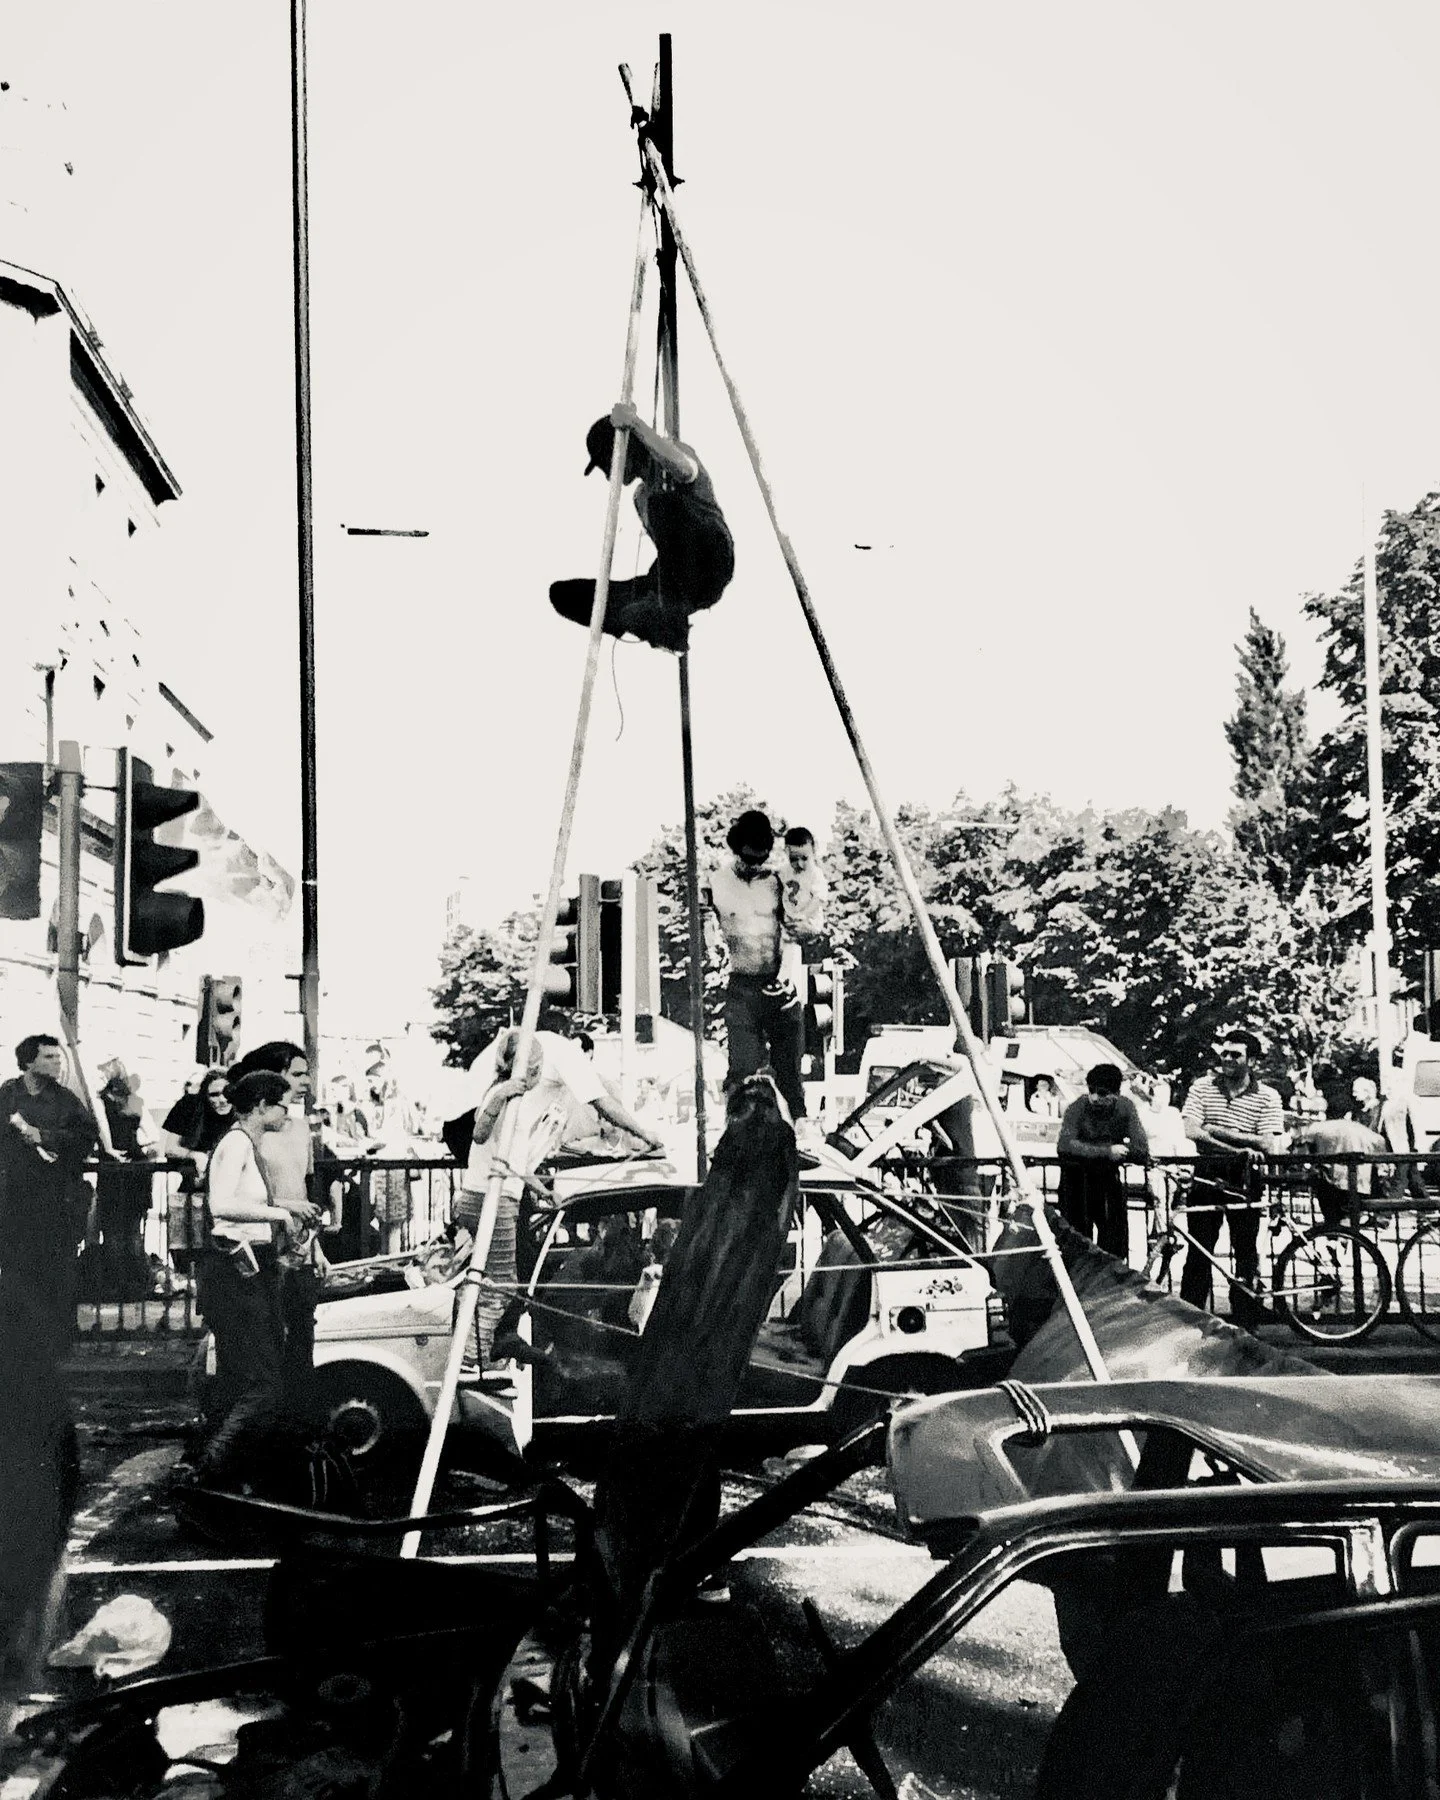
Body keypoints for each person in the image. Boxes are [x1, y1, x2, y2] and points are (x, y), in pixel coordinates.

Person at [453, 1023, 663, 1371]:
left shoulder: (520, 1102)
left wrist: (541, 1190)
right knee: (504, 1280)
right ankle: (474, 1355)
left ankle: (493, 1342)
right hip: (493, 1199)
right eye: (535, 1071)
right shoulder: (506, 1094)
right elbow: (479, 1133)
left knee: (507, 1272)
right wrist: (503, 1095)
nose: (538, 1077)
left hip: (498, 1195)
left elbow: (512, 1160)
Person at [548, 401, 735, 654]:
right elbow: (669, 555)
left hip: (711, 558)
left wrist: (635, 425)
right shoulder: (641, 498)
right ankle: (656, 618)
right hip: (680, 585)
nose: (609, 476)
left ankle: (670, 624)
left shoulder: (672, 455)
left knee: (660, 504)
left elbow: (685, 470)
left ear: (622, 449)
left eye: (606, 465)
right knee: (567, 595)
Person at [184, 1071, 296, 1487]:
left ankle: (226, 1473)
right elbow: (223, 1205)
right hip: (234, 1273)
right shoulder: (236, 1143)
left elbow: (245, 1203)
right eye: (283, 1104)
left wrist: (284, 1212)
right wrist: (279, 1213)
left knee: (240, 1376)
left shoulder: (246, 1143)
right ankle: (211, 1469)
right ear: (262, 1106)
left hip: (248, 1269)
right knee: (264, 1382)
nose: (287, 1113)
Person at [226, 1043, 323, 1428]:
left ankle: (299, 1430)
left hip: (299, 1250)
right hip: (264, 1251)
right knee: (267, 1348)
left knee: (302, 1341)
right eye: (297, 1074)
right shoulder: (249, 1132)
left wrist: (316, 1245)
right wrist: (286, 1207)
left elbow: (304, 1187)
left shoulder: (300, 1128)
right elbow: (238, 1196)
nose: (305, 1082)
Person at [703, 810, 816, 1132]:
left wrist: (810, 930)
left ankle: (800, 1127)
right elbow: (703, 924)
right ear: (736, 850)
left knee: (789, 1067)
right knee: (742, 1068)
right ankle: (735, 1131)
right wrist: (710, 943)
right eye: (749, 859)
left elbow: (802, 925)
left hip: (779, 981)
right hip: (743, 984)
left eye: (761, 859)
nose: (755, 866)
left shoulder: (778, 882)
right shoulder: (716, 882)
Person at [0, 1035, 99, 1365]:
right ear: (29, 1062)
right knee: (16, 1275)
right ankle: (17, 1348)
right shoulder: (7, 1095)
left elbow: (86, 1137)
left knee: (56, 1274)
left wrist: (44, 1136)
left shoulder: (65, 1100)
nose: (57, 1062)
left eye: (58, 1057)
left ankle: (56, 1347)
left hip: (56, 1203)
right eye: (48, 1057)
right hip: (14, 1203)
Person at [1179, 1031, 1286, 1327]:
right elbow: (1192, 1130)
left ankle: (1245, 1320)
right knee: (1199, 1247)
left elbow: (1266, 1144)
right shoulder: (1202, 1087)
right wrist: (1239, 1147)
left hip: (1245, 1176)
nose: (1227, 1059)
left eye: (1235, 1054)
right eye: (1224, 1053)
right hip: (1208, 1172)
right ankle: (1189, 1318)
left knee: (1245, 1249)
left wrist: (1215, 1130)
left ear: (1252, 1061)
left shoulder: (1268, 1096)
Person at [1056, 1064, 1150, 1261]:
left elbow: (1141, 1148)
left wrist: (1115, 1151)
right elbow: (1064, 1145)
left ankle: (1112, 1273)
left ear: (1116, 1094)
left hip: (1106, 1179)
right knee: (1075, 1241)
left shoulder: (1125, 1107)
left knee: (1114, 1240)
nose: (1094, 1098)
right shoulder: (1077, 1107)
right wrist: (1107, 1151)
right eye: (1091, 1091)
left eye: (1102, 1093)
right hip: (1075, 1181)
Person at [96, 1066, 158, 1302]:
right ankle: (138, 1283)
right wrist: (138, 1145)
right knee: (133, 1227)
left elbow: (102, 1130)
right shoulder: (136, 1101)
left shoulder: (101, 1101)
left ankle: (115, 1284)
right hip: (137, 1164)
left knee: (112, 1227)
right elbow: (152, 1135)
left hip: (112, 1166)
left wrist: (109, 1149)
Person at [164, 1070, 236, 1273]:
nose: (222, 1100)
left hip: (230, 1195)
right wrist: (195, 1155)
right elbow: (169, 1147)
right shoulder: (191, 1107)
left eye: (226, 1093)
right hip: (196, 1192)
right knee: (190, 1251)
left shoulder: (242, 1112)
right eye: (214, 1094)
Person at [1292, 1091, 1387, 1228]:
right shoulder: (1363, 1131)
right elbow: (1380, 1143)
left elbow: (1300, 1150)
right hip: (1359, 1182)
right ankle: (1345, 1236)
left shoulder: (1317, 1129)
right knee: (1349, 1219)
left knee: (1332, 1219)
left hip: (1331, 1182)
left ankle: (1334, 1235)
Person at [774, 826, 828, 996]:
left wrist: (803, 916)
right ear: (787, 853)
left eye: (805, 858)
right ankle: (789, 983)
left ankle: (785, 982)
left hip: (809, 921)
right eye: (794, 859)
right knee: (780, 943)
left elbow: (819, 898)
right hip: (790, 920)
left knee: (791, 941)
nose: (799, 864)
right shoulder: (784, 871)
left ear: (813, 852)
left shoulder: (815, 874)